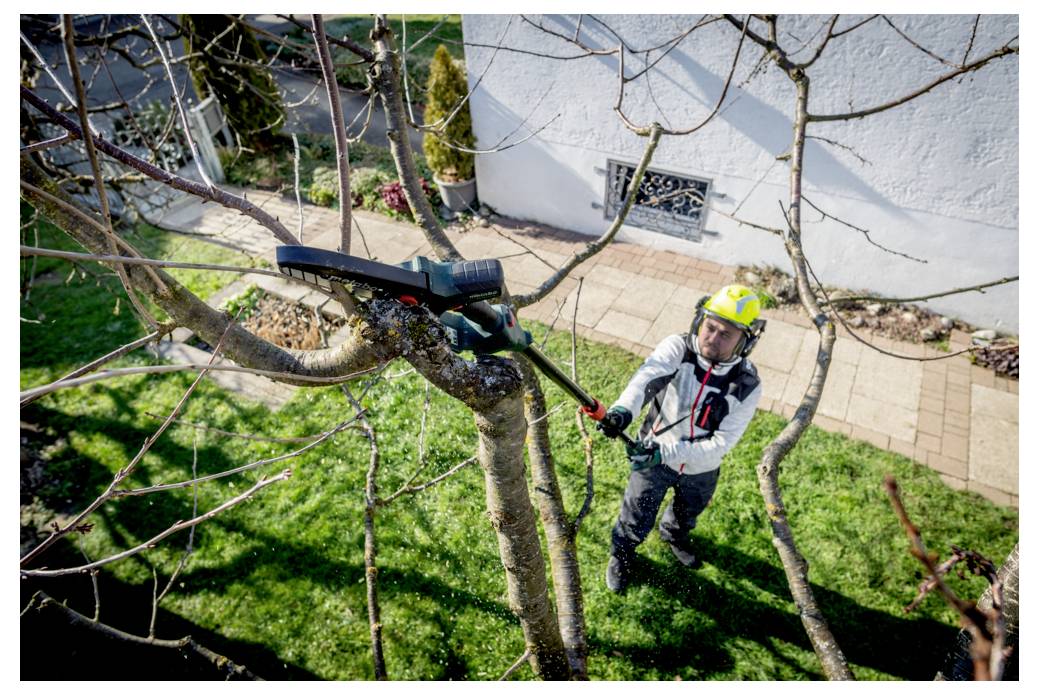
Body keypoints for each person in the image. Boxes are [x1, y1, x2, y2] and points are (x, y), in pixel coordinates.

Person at [595, 284, 766, 593]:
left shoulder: (747, 383)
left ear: (746, 342)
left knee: (688, 511)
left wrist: (666, 453)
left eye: (725, 334)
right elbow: (647, 378)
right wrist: (622, 411)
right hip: (652, 457)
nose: (712, 338)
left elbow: (722, 443)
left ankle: (674, 534)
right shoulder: (678, 348)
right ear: (699, 319)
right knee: (636, 513)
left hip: (701, 467)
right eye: (709, 327)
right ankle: (621, 555)